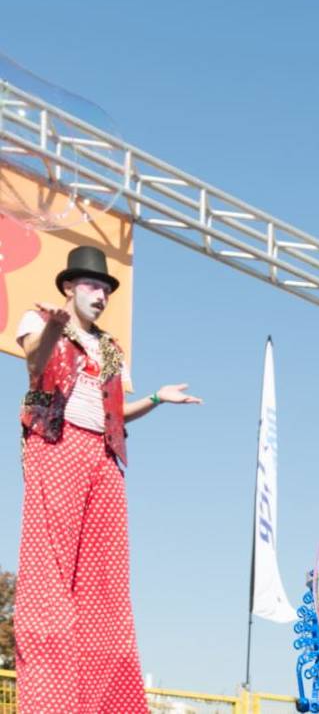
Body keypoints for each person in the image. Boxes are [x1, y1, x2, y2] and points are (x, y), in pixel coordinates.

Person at [13, 245, 202, 713]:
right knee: (51, 573)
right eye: (93, 286)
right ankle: (50, 703)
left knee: (106, 582)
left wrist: (156, 398)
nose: (101, 296)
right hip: (57, 444)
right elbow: (36, 365)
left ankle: (108, 702)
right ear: (69, 287)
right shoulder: (42, 320)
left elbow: (113, 413)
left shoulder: (112, 349)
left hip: (103, 454)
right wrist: (56, 327)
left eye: (106, 289)